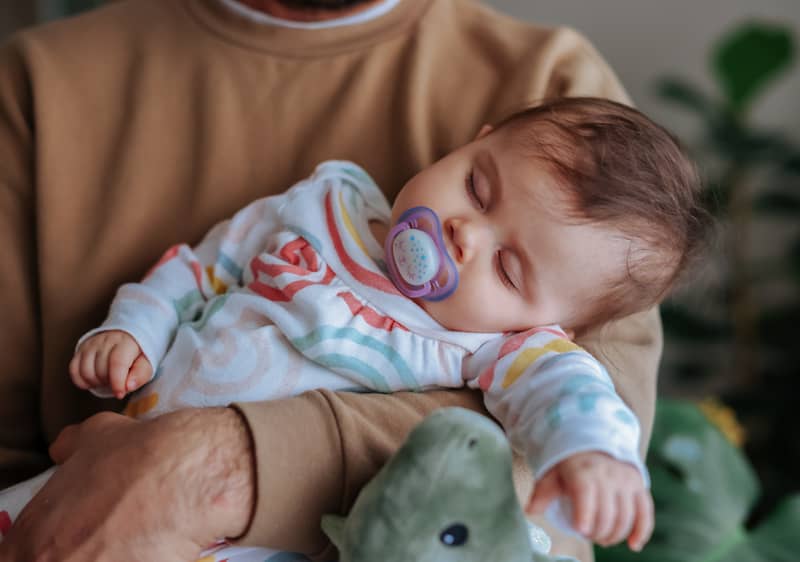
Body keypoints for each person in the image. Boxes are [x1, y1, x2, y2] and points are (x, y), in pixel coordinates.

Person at [0, 1, 667, 560]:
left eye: (508, 267)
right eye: (475, 186)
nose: (465, 233)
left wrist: (592, 453)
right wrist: (133, 330)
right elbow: (199, 269)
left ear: (552, 322)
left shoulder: (497, 343)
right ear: (471, 142)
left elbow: (569, 412)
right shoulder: (326, 205)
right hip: (82, 507)